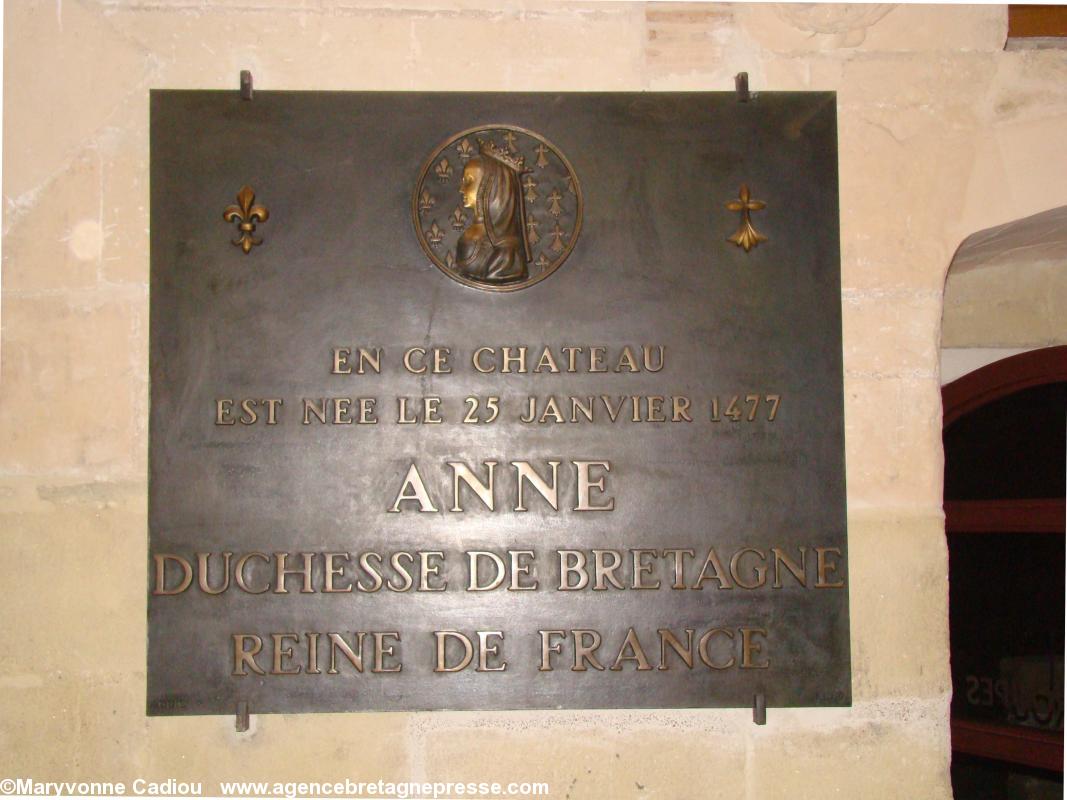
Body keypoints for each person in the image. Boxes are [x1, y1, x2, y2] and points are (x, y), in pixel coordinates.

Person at [455, 138, 532, 284]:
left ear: (491, 186)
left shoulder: (508, 255)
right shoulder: (474, 234)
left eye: (469, 181)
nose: (461, 189)